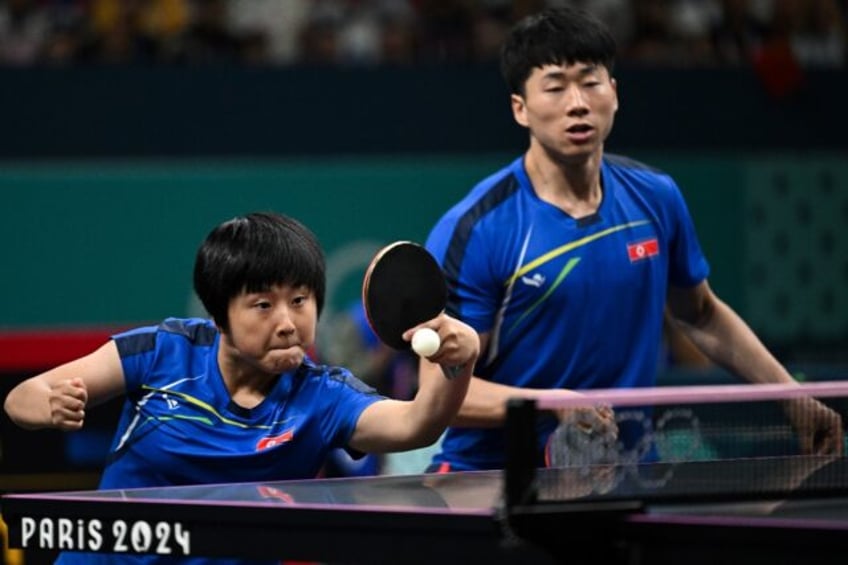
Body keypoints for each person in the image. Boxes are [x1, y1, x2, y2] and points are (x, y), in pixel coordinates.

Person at [420, 6, 843, 473]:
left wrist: (792, 397)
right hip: (494, 478)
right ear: (520, 108)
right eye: (556, 86)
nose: (577, 102)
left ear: (614, 94)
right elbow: (439, 397)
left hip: (628, 474)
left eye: (590, 82)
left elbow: (700, 313)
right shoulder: (479, 227)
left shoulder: (656, 198)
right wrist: (547, 403)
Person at [3, 211, 479, 565]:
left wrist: (456, 361)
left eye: (300, 300)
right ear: (218, 313)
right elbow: (22, 396)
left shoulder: (322, 396)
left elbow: (417, 424)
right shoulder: (163, 352)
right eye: (263, 305)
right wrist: (48, 402)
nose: (289, 323)